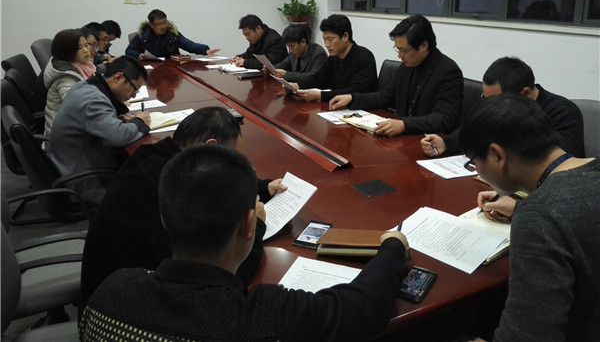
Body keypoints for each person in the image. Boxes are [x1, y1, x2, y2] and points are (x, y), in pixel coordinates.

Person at [80, 144, 411, 341]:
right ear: (249, 225)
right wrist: (392, 246)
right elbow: (362, 309)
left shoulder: (112, 288)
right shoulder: (261, 319)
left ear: (164, 219)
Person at [79, 106, 287, 316]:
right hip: (124, 313)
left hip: (107, 295)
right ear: (211, 147)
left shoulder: (157, 159)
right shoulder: (170, 192)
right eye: (231, 158)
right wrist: (257, 226)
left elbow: (216, 178)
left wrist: (261, 188)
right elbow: (224, 276)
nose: (231, 167)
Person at [459, 95, 599, 342]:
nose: (476, 169)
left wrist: (532, 212)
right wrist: (520, 206)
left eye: (474, 162)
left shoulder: (539, 216)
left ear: (498, 156)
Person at [421, 56, 585, 158]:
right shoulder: (501, 105)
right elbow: (475, 128)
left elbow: (560, 165)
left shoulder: (563, 112)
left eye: (498, 100)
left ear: (525, 93)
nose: (492, 106)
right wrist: (446, 143)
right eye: (487, 99)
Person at [330, 15, 463, 136]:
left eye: (403, 51)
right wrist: (352, 98)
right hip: (401, 138)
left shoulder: (448, 71)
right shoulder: (407, 66)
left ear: (424, 45)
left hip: (426, 140)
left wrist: (404, 124)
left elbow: (443, 118)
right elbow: (385, 96)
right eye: (397, 50)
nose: (399, 56)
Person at [48, 56, 150, 208]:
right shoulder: (92, 99)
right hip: (85, 180)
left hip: (76, 164)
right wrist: (140, 122)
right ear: (118, 78)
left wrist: (120, 119)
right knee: (150, 184)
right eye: (135, 88)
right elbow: (118, 137)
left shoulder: (87, 86)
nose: (134, 95)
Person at [293, 14, 378, 102]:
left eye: (330, 39)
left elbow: (357, 90)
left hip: (363, 108)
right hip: (337, 106)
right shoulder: (334, 58)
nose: (327, 44)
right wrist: (297, 86)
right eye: (324, 40)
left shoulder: (364, 57)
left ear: (345, 36)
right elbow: (319, 78)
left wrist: (322, 96)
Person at [43, 29, 97, 134]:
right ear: (67, 51)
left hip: (76, 127)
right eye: (79, 48)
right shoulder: (66, 79)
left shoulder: (84, 66)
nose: (86, 50)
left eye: (86, 45)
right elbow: (81, 108)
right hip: (65, 136)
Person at [126, 9, 220, 60]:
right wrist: (138, 55)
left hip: (170, 67)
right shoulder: (143, 36)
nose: (163, 26)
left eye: (165, 22)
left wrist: (205, 50)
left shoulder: (172, 34)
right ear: (151, 25)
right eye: (159, 24)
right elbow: (129, 50)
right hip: (151, 68)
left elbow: (189, 45)